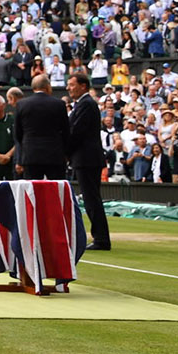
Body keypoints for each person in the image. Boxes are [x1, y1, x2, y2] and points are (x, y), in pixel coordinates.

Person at [66, 72, 112, 251]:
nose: (69, 88)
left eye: (72, 84)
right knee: (91, 198)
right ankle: (100, 237)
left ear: (83, 86)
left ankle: (101, 239)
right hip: (85, 158)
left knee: (92, 199)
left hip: (87, 159)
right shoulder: (83, 104)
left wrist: (65, 151)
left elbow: (76, 132)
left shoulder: (87, 104)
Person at [14, 74, 70, 180]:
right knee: (56, 191)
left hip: (30, 155)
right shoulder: (59, 104)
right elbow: (66, 131)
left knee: (32, 192)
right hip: (55, 155)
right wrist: (65, 153)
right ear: (48, 86)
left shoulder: (21, 104)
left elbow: (18, 133)